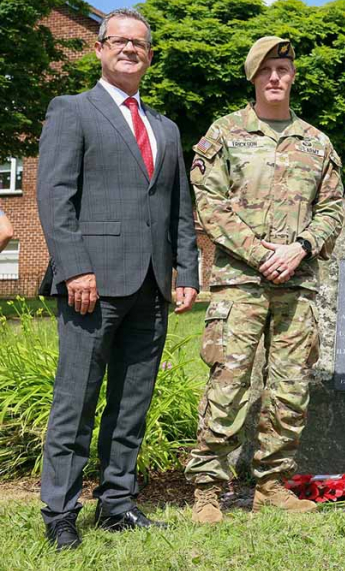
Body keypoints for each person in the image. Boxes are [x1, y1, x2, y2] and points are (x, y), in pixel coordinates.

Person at [36, 8, 199, 550]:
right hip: (92, 283)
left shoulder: (166, 128)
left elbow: (179, 207)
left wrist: (186, 272)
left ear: (149, 56)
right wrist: (74, 265)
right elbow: (55, 196)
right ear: (101, 49)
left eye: (140, 44)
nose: (130, 49)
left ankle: (117, 503)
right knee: (76, 400)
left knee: (132, 402)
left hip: (152, 285)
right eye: (120, 41)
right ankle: (60, 513)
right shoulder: (71, 111)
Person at [184, 36, 344, 524]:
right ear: (253, 77)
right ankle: (209, 489)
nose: (276, 77)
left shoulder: (316, 142)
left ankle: (273, 484)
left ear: (293, 77)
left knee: (290, 387)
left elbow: (334, 207)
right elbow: (209, 205)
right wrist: (259, 254)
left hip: (297, 284)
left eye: (283, 69)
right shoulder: (225, 134)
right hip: (239, 284)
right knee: (228, 384)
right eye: (266, 70)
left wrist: (299, 248)